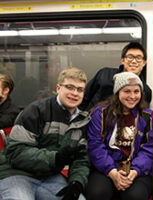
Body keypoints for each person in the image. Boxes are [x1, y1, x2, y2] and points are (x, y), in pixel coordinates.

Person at [0, 67, 91, 200]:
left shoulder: (82, 121)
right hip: (16, 173)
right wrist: (55, 158)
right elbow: (16, 152)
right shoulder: (36, 111)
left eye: (80, 89)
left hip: (50, 177)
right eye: (70, 87)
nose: (75, 93)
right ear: (58, 88)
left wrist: (76, 183)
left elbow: (81, 160)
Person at [86, 72, 153, 200]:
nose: (132, 96)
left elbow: (150, 149)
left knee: (135, 196)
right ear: (117, 92)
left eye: (136, 91)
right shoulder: (101, 113)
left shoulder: (148, 116)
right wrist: (112, 172)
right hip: (106, 168)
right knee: (97, 193)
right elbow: (95, 146)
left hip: (136, 170)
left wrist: (134, 171)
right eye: (127, 91)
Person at [80, 42, 152, 111]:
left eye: (138, 58)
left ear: (144, 63)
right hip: (92, 119)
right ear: (122, 60)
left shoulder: (146, 91)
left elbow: (142, 114)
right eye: (130, 57)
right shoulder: (105, 74)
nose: (134, 61)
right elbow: (84, 97)